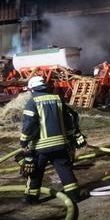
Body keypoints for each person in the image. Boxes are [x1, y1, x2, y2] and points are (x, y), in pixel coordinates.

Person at [20, 76, 86, 204]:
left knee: (35, 173)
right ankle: (74, 196)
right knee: (65, 170)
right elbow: (69, 118)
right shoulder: (57, 99)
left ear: (32, 88)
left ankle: (31, 199)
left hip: (40, 147)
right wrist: (72, 136)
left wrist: (24, 141)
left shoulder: (32, 102)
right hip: (60, 144)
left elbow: (29, 125)